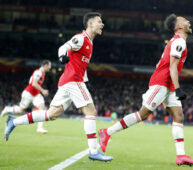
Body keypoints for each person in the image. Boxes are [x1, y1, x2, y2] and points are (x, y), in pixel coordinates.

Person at [4, 12, 113, 162]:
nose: (102, 24)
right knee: (90, 111)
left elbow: (79, 64)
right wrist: (62, 56)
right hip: (73, 81)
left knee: (51, 114)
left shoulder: (90, 42)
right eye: (99, 22)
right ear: (90, 23)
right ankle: (93, 151)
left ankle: (13, 122)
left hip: (69, 81)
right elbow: (63, 47)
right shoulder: (81, 38)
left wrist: (86, 80)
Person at [99, 14, 193, 166]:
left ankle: (181, 156)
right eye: (185, 20)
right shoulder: (179, 41)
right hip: (162, 83)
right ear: (178, 26)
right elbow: (172, 66)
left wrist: (174, 88)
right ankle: (107, 132)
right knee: (142, 115)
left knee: (178, 116)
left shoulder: (177, 42)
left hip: (168, 85)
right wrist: (178, 89)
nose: (188, 22)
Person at [1, 60, 51, 134]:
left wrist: (40, 91)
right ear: (45, 65)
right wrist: (43, 90)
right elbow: (33, 83)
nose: (50, 68)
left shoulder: (42, 73)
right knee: (21, 110)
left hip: (36, 94)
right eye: (49, 66)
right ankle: (7, 109)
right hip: (28, 93)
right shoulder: (38, 72)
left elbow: (31, 81)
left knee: (42, 107)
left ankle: (40, 128)